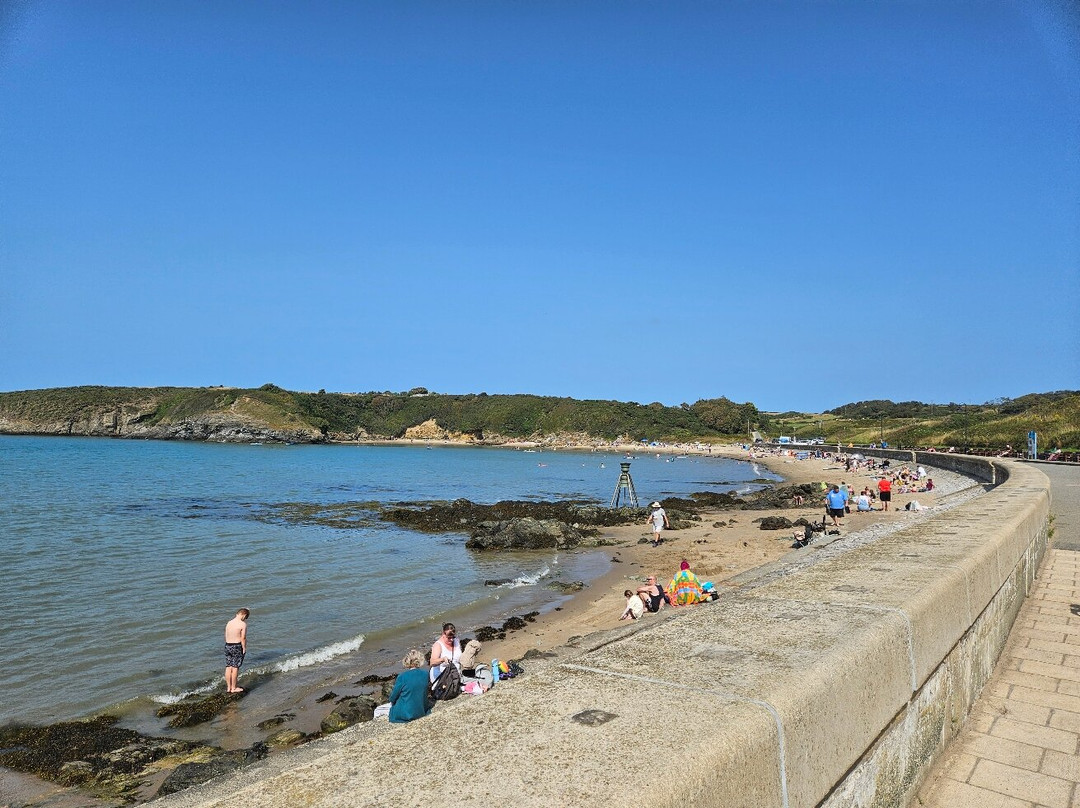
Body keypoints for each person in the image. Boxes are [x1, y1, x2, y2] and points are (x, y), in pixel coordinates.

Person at [389, 649, 433, 724]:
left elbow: (393, 698)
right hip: (421, 711)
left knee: (378, 710)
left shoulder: (402, 677)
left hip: (405, 714)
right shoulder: (425, 674)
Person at [224, 608, 250, 694]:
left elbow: (226, 635)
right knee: (235, 667)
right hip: (236, 646)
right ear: (244, 615)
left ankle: (229, 688)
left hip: (228, 645)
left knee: (228, 666)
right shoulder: (243, 624)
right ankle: (234, 688)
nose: (245, 619)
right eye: (245, 617)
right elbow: (243, 638)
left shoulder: (229, 622)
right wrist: (244, 648)